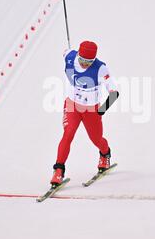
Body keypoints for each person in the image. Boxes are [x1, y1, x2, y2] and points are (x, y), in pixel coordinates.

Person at [50, 40, 119, 186]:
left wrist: (102, 110)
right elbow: (65, 51)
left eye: (89, 62)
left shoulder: (101, 68)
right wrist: (69, 50)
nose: (84, 64)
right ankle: (58, 170)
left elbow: (114, 92)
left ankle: (105, 153)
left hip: (90, 109)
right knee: (68, 134)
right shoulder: (69, 56)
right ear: (78, 55)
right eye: (82, 60)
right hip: (71, 105)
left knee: (96, 139)